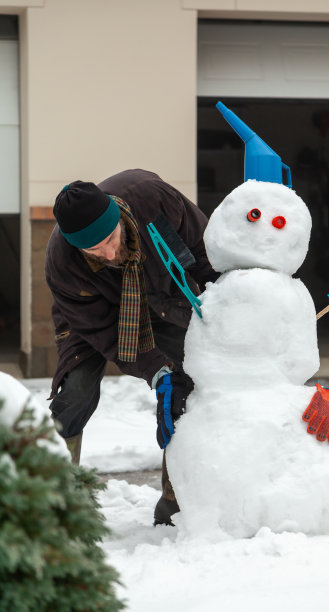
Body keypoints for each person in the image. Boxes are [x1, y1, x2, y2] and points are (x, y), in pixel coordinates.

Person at [45, 169, 218, 526]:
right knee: (75, 393)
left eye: (111, 238)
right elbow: (108, 334)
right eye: (94, 249)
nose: (109, 253)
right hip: (97, 318)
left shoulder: (152, 199)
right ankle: (56, 500)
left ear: (118, 216)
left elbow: (204, 251)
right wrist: (156, 370)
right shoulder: (63, 265)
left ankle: (175, 500)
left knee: (188, 379)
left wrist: (224, 299)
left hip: (161, 297)